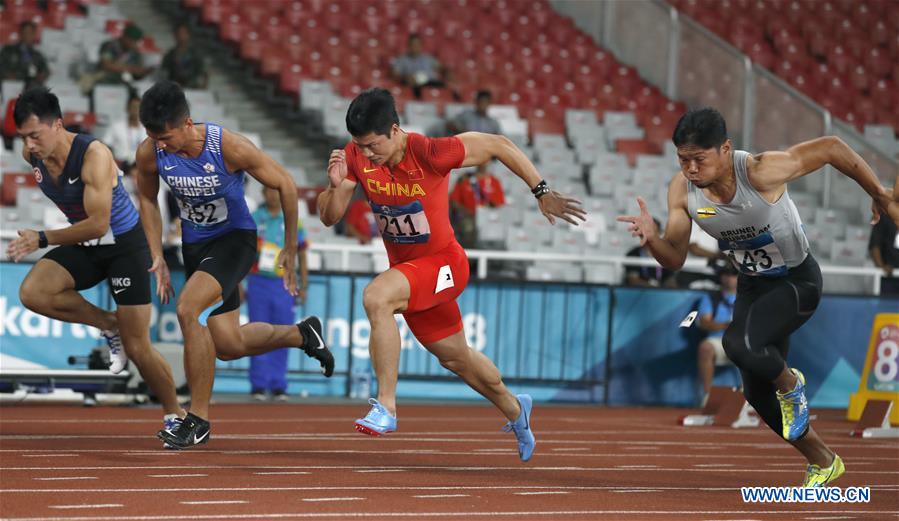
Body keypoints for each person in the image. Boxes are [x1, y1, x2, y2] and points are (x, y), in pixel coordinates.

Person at [617, 107, 899, 487]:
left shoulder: (761, 171)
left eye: (699, 159)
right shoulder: (682, 191)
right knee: (754, 389)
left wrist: (878, 193)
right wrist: (653, 239)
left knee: (738, 344)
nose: (691, 170)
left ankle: (791, 384)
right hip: (753, 286)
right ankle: (823, 459)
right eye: (683, 160)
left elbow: (832, 147)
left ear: (725, 149)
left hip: (797, 282)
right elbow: (676, 258)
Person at [317, 87, 585, 461]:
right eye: (360, 146)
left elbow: (499, 144)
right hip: (410, 274)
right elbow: (329, 217)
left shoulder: (429, 152)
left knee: (377, 296)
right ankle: (515, 409)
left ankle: (386, 407)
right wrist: (333, 188)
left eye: (374, 145)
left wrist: (541, 191)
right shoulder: (355, 157)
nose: (367, 154)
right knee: (456, 358)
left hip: (445, 264)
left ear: (395, 130)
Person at [134, 81, 334, 449]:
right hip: (196, 248)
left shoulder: (226, 146)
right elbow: (146, 199)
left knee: (187, 309)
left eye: (164, 136)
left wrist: (289, 248)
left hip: (235, 241)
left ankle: (197, 419)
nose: (158, 144)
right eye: (152, 136)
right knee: (228, 343)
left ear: (187, 123)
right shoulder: (150, 153)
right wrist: (157, 255)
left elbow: (287, 185)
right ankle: (303, 334)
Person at [6, 87, 185, 437]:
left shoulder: (94, 155)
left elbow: (99, 223)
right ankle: (108, 323)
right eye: (23, 137)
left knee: (137, 346)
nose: (28, 146)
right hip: (85, 243)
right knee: (34, 292)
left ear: (57, 125)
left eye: (35, 136)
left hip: (123, 246)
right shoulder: (35, 157)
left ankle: (176, 414)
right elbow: (85, 228)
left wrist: (41, 238)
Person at [247, 185, 310, 401]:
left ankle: (278, 384)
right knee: (256, 334)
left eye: (276, 192)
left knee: (283, 334)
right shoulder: (255, 217)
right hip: (258, 281)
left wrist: (305, 284)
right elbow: (244, 252)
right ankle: (258, 384)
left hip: (285, 283)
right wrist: (239, 282)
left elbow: (302, 253)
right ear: (263, 194)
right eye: (269, 191)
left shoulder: (292, 219)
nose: (273, 195)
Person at [696, 264, 738, 405]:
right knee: (705, 348)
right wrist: (727, 325)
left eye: (733, 274)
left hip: (742, 341)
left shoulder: (748, 297)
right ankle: (708, 396)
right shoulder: (711, 298)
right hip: (718, 340)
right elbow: (704, 323)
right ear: (720, 277)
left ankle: (749, 399)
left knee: (758, 350)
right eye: (725, 274)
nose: (729, 278)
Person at [391, 34, 449, 99]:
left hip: (430, 83)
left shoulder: (428, 58)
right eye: (413, 44)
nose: (415, 47)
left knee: (444, 87)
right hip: (414, 86)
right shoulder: (402, 60)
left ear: (421, 46)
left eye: (417, 44)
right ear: (408, 46)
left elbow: (442, 68)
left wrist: (447, 73)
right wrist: (406, 78)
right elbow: (395, 75)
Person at [624, 218, 677, 287]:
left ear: (659, 233)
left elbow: (670, 279)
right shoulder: (632, 254)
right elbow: (633, 281)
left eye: (654, 231)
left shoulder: (666, 254)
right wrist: (653, 287)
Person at [0, 21, 49, 88]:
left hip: (30, 88)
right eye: (25, 32)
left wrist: (42, 75)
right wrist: (7, 75)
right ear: (20, 33)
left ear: (34, 34)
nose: (27, 35)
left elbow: (45, 71)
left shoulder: (37, 55)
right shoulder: (8, 50)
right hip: (11, 85)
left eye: (30, 33)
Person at [103, 91, 145, 167]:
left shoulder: (147, 129)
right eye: (133, 107)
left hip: (141, 167)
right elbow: (106, 145)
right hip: (120, 166)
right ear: (127, 108)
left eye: (138, 107)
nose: (135, 110)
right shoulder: (116, 126)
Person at [160, 23, 208, 90]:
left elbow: (204, 73)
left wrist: (203, 88)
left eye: (184, 33)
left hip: (192, 88)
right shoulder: (170, 54)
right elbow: (164, 72)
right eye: (179, 33)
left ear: (188, 35)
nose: (181, 36)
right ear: (175, 35)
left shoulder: (195, 54)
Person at [869, 212, 899, 296]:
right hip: (890, 277)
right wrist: (881, 266)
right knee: (888, 307)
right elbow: (875, 245)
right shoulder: (883, 215)